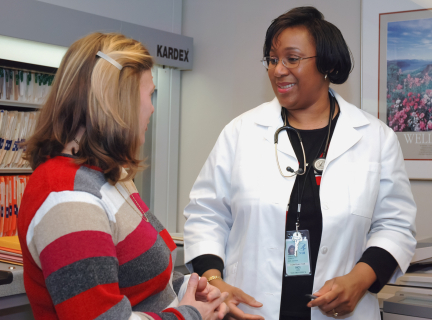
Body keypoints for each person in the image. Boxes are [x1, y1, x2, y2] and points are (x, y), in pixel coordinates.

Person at [183, 7, 416, 320]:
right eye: (272, 59)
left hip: (341, 311)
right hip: (251, 309)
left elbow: (396, 226)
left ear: (325, 64)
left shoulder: (375, 139)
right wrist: (215, 282)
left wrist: (358, 281)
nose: (278, 70)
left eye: (291, 58)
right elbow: (205, 215)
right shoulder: (240, 133)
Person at [17, 32, 229, 320]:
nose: (152, 107)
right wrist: (191, 315)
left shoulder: (111, 176)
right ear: (120, 101)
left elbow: (142, 282)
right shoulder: (68, 200)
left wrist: (187, 291)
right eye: (149, 94)